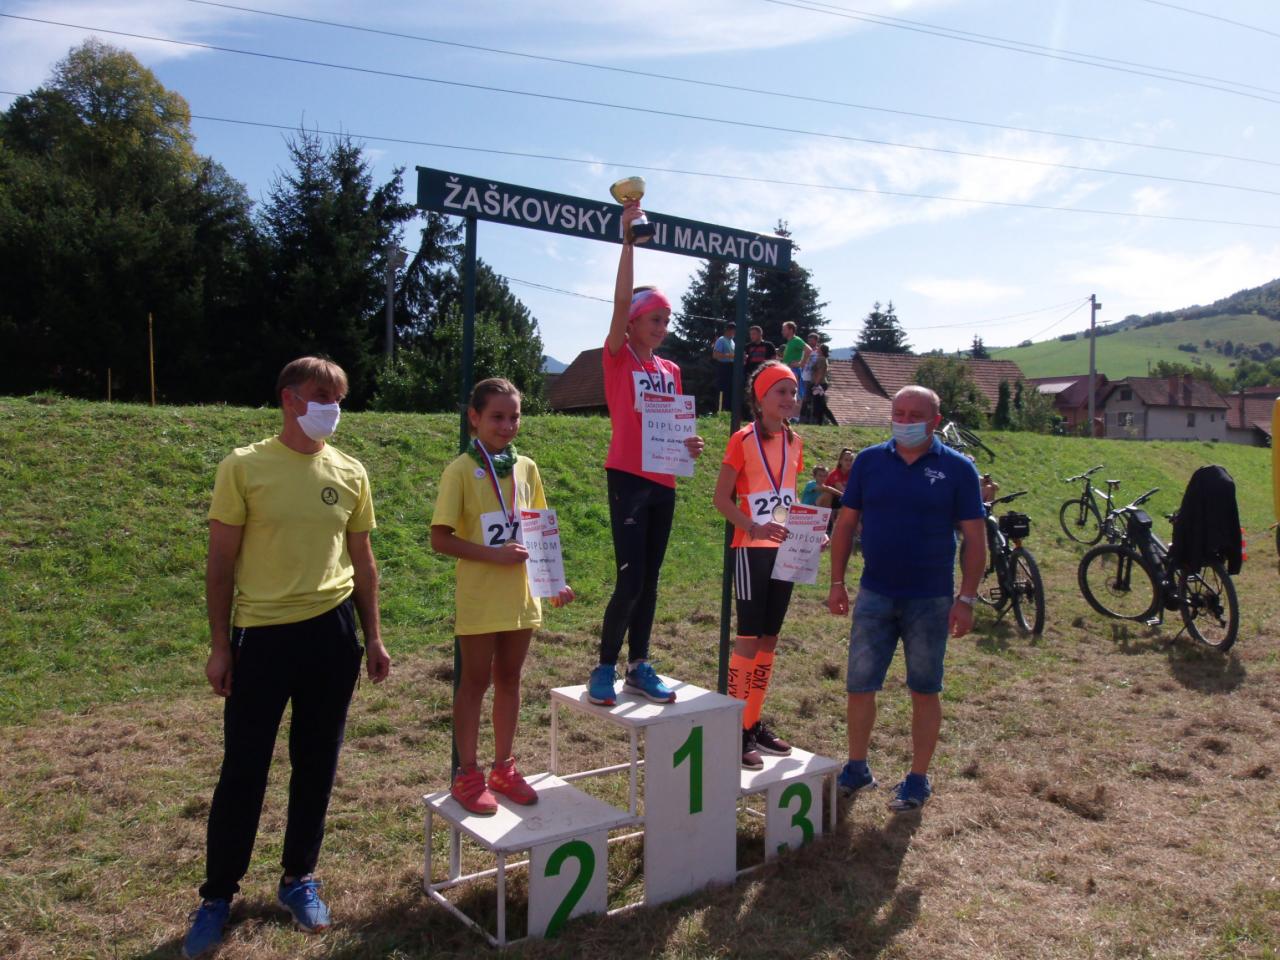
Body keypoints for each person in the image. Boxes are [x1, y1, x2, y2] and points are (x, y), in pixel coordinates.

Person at [183, 356, 391, 959]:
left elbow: (364, 562)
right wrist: (220, 645)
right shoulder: (244, 466)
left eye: (339, 398)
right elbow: (220, 563)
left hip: (333, 634)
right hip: (263, 635)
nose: (333, 407)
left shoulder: (350, 471)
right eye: (322, 395)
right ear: (289, 399)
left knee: (317, 762)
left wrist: (373, 637)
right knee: (244, 769)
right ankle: (217, 896)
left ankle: (299, 878)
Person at [825, 385, 985, 813]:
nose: (905, 421)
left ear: (935, 421)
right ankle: (856, 768)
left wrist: (967, 598)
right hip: (874, 593)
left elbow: (975, 539)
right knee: (859, 686)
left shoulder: (959, 469)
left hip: (931, 600)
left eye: (916, 415)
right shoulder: (869, 461)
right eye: (899, 413)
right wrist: (837, 582)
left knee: (924, 689)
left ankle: (917, 779)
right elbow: (846, 525)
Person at [431, 378, 576, 815]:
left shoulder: (526, 467)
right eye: (497, 416)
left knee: (510, 679)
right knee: (474, 682)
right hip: (480, 597)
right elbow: (440, 539)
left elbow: (538, 528)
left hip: (521, 595)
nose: (507, 425)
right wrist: (494, 555)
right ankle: (467, 773)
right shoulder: (460, 470)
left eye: (514, 417)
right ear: (474, 417)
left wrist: (553, 581)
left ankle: (503, 768)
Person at [588, 199, 705, 707]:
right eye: (654, 318)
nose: (662, 326)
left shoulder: (670, 369)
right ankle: (603, 666)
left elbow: (673, 425)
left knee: (651, 581)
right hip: (628, 478)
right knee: (629, 579)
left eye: (666, 320)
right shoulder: (618, 358)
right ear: (633, 322)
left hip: (664, 481)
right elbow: (618, 303)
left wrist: (689, 443)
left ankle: (639, 665)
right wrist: (627, 243)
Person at [713, 361, 807, 767]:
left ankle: (752, 722)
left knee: (770, 638)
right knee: (749, 637)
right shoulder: (742, 439)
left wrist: (809, 532)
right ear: (760, 397)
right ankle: (735, 729)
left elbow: (790, 498)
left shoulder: (795, 441)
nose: (789, 398)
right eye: (780, 391)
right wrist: (753, 526)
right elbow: (721, 500)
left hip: (784, 551)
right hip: (750, 549)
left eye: (793, 391)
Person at [780, 322, 811, 416]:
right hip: (788, 371)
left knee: (795, 394)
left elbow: (808, 350)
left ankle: (795, 417)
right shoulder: (789, 342)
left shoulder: (796, 340)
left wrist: (801, 363)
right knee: (788, 394)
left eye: (784, 329)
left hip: (794, 371)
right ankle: (790, 416)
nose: (782, 331)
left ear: (791, 330)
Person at [808, 343, 837, 426]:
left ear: (821, 350)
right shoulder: (822, 359)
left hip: (820, 384)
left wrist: (816, 385)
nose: (817, 349)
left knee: (820, 405)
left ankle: (833, 422)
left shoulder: (821, 359)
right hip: (820, 383)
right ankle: (820, 423)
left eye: (819, 348)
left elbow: (820, 373)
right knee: (820, 404)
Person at [712, 321, 737, 414]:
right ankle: (720, 410)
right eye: (734, 331)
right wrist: (729, 355)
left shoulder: (732, 342)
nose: (735, 333)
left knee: (730, 389)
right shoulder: (721, 340)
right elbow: (715, 355)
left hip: (731, 367)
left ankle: (728, 411)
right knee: (722, 389)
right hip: (723, 367)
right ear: (729, 330)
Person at [799, 332, 820, 420]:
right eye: (809, 340)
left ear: (816, 341)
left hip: (813, 377)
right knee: (804, 397)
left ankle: (809, 418)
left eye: (812, 340)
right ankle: (803, 417)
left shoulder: (818, 352)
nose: (810, 342)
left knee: (812, 398)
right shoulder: (805, 350)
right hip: (804, 376)